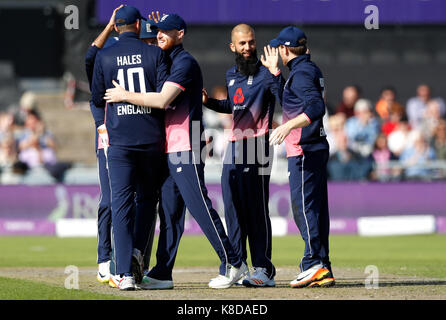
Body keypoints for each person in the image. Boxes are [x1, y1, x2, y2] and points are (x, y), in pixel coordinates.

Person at [104, 13, 247, 290]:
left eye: (166, 31)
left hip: (187, 145)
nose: (159, 35)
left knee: (200, 206)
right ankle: (162, 272)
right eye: (157, 31)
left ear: (180, 34)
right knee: (170, 213)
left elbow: (162, 99)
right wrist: (150, 30)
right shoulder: (166, 59)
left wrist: (124, 96)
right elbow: (148, 56)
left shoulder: (185, 63)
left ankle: (233, 262)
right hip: (171, 147)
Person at [91, 5, 170, 291]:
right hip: (151, 139)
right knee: (147, 199)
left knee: (121, 206)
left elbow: (99, 100)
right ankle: (138, 252)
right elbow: (165, 97)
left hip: (120, 142)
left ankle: (123, 273)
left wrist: (108, 120)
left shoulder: (104, 56)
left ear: (117, 27)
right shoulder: (156, 53)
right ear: (138, 25)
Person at [201, 24, 284, 287]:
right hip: (234, 146)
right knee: (233, 207)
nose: (247, 48)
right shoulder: (231, 74)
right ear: (232, 47)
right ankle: (238, 264)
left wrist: (276, 73)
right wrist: (209, 103)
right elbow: (234, 105)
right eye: (242, 44)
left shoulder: (266, 73)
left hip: (258, 145)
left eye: (250, 42)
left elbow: (285, 98)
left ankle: (264, 269)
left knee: (256, 208)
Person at [267, 26, 335, 288]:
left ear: (284, 49)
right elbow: (292, 101)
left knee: (304, 209)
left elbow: (317, 106)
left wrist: (287, 127)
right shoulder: (304, 70)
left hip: (305, 149)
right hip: (313, 147)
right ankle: (323, 265)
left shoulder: (303, 72)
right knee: (315, 210)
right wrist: (275, 73)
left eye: (279, 48)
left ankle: (313, 264)